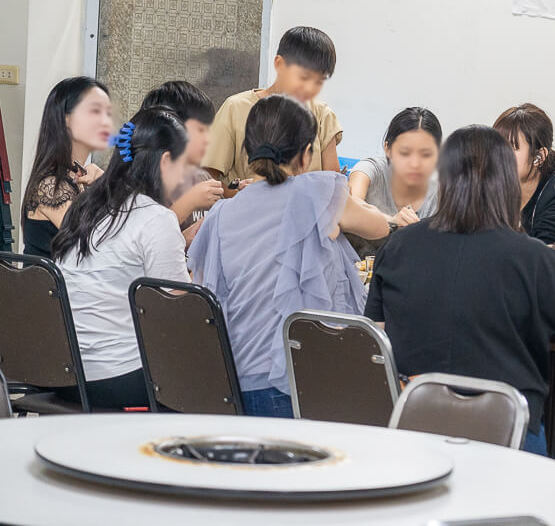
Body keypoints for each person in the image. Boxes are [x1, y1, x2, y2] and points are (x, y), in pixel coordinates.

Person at [364, 125, 555, 455]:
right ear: (507, 182)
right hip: (506, 431)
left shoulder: (399, 245)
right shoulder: (533, 257)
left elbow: (377, 336)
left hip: (416, 426)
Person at [188, 94, 390, 418]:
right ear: (307, 153)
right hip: (290, 387)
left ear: (246, 151)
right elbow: (379, 228)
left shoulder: (223, 211)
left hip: (230, 388)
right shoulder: (316, 191)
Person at [50, 108, 191, 409]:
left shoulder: (84, 207)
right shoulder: (155, 218)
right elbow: (181, 311)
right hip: (117, 378)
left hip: (63, 374)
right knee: (210, 373)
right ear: (165, 161)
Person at [202, 26, 343, 197]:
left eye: (318, 81)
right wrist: (244, 194)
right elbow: (207, 180)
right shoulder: (235, 108)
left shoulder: (322, 114)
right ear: (279, 64)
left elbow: (333, 187)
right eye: (303, 77)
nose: (309, 88)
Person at [22, 77, 113, 259]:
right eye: (95, 111)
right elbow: (99, 248)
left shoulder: (76, 178)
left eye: (108, 113)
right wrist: (106, 185)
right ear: (66, 119)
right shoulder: (51, 185)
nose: (105, 122)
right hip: (52, 287)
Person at [347, 107, 441, 255]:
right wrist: (393, 222)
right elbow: (350, 206)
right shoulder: (370, 170)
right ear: (387, 148)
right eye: (405, 153)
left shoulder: (441, 190)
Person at [140, 81, 222, 246]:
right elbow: (142, 245)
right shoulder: (140, 185)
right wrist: (189, 202)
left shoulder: (201, 177)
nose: (207, 139)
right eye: (199, 129)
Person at [493, 103, 555, 244]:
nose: (499, 155)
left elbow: (543, 254)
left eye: (512, 148)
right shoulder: (491, 185)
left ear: (540, 156)